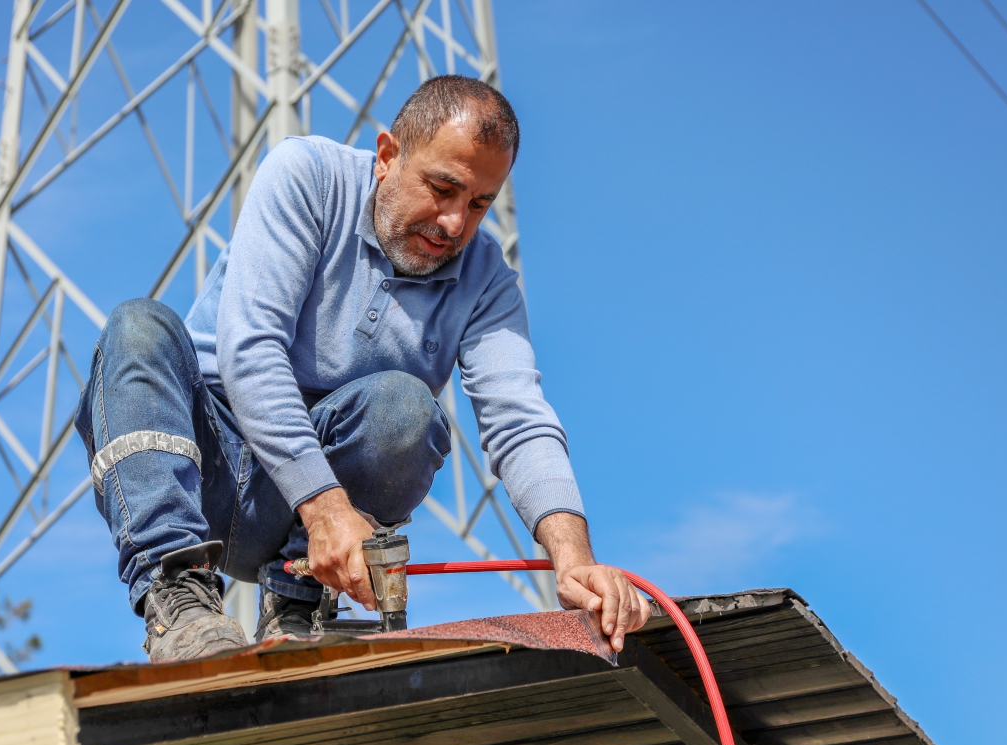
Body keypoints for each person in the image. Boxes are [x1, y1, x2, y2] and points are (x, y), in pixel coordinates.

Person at [75, 75, 649, 663]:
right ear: (387, 156)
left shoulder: (486, 281)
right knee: (138, 328)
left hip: (304, 523)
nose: (455, 223)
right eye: (442, 188)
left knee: (405, 410)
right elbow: (251, 352)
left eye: (478, 204)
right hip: (202, 470)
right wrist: (325, 506)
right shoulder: (307, 176)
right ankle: (178, 598)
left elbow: (519, 420)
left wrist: (575, 560)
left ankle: (296, 602)